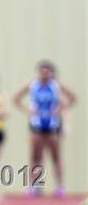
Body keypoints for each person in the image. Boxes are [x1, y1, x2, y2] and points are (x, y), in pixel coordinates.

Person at [14, 60, 77, 197]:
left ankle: (60, 186)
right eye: (42, 71)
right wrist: (28, 110)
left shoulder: (56, 86)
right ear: (39, 72)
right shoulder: (32, 85)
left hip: (52, 125)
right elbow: (16, 98)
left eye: (47, 71)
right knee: (35, 157)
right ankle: (33, 186)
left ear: (51, 73)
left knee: (56, 156)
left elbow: (73, 98)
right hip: (36, 125)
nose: (44, 74)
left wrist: (60, 110)